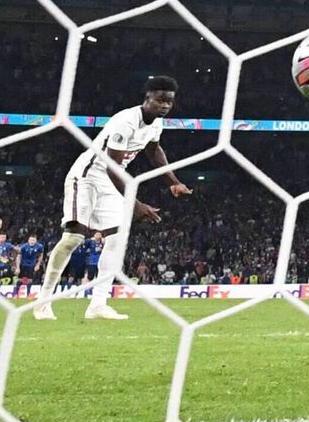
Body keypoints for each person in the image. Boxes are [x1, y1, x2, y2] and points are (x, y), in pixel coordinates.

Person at [34, 76, 192, 321]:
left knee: (117, 239)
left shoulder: (155, 124)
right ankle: (43, 302)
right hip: (86, 176)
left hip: (110, 181)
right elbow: (112, 167)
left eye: (169, 102)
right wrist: (136, 205)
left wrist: (173, 181)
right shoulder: (125, 121)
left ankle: (98, 304)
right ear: (147, 98)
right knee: (74, 237)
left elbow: (154, 150)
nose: (164, 106)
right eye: (160, 100)